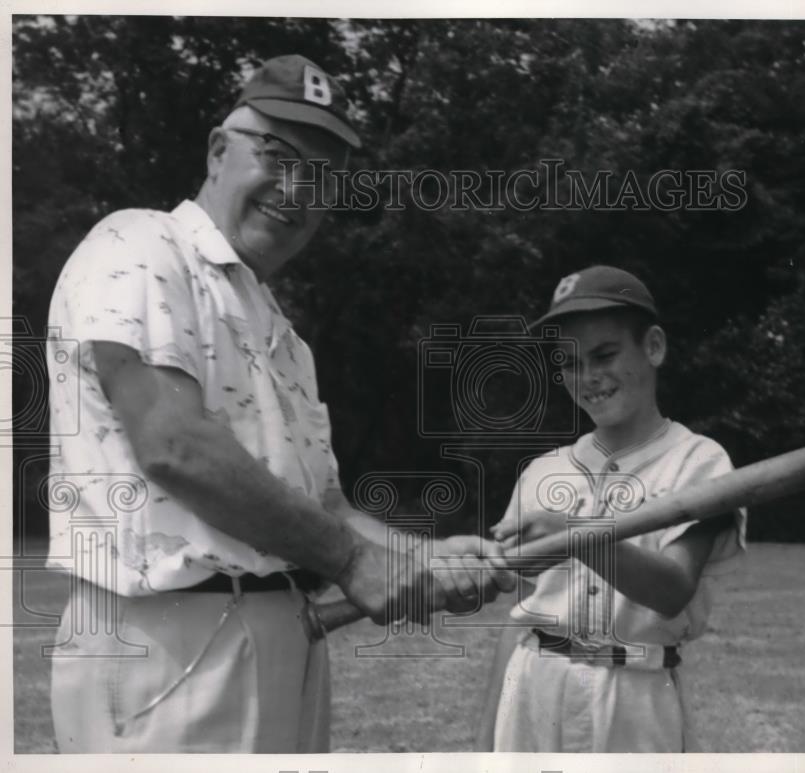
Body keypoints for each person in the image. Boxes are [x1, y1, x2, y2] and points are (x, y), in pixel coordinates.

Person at [45, 53, 514, 753]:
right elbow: (173, 444)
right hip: (168, 643)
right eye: (276, 154)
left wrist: (425, 556)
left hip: (282, 632)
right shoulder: (139, 244)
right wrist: (357, 562)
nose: (297, 188)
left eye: (322, 175)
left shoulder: (284, 336)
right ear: (217, 150)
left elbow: (326, 508)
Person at [475, 265, 747, 752]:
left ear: (655, 347)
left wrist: (575, 532)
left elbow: (672, 590)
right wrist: (483, 746)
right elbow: (520, 619)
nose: (587, 377)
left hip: (635, 693)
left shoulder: (699, 462)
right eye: (569, 363)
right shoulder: (543, 472)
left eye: (604, 354)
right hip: (534, 683)